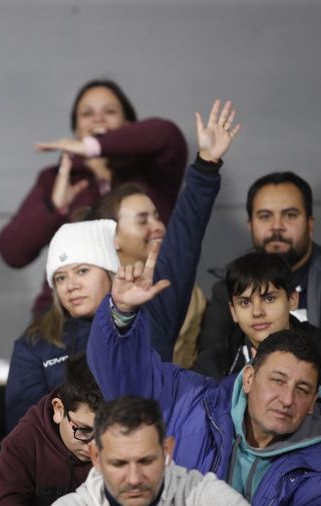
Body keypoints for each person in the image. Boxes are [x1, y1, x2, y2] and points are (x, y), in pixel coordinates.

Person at [5, 100, 239, 430]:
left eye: (83, 271)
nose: (70, 284)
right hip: (67, 476)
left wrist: (205, 166)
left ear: (108, 268)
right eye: (59, 277)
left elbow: (183, 241)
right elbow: (23, 428)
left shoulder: (149, 314)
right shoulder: (36, 342)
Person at [87, 242, 321, 504]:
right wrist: (122, 313)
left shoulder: (315, 463)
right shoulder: (192, 398)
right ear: (249, 376)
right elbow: (126, 383)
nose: (287, 398)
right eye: (277, 380)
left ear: (315, 398)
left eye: (302, 389)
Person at [0, 79, 187, 317]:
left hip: (150, 304)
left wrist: (93, 146)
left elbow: (168, 134)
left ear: (129, 125)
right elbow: (12, 252)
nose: (98, 119)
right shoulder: (57, 179)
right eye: (87, 114)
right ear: (76, 130)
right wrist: (54, 209)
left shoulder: (152, 172)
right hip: (69, 317)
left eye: (110, 112)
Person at [198, 171, 320, 362]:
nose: (276, 226)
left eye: (290, 215)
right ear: (250, 224)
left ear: (310, 223)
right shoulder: (226, 289)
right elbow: (209, 367)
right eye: (265, 216)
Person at [85, 183, 206, 368]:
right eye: (142, 221)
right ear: (112, 237)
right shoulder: (92, 294)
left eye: (157, 217)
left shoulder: (187, 291)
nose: (158, 227)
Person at [52, 397, 249, 506]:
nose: (134, 479)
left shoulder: (204, 497)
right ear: (96, 457)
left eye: (146, 461)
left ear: (167, 450)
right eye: (119, 464)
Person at [0, 354, 102, 505]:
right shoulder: (21, 444)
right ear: (58, 410)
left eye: (104, 432)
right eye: (84, 430)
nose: (94, 446)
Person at [193, 252, 321, 378]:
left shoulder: (317, 349)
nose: (257, 312)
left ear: (292, 300)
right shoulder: (212, 364)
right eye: (245, 302)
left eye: (269, 299)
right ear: (233, 311)